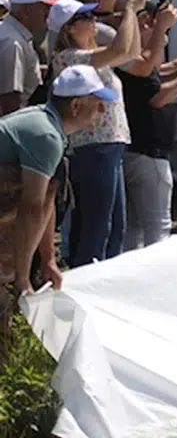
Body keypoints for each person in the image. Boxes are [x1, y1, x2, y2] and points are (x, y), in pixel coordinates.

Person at [1, 65, 121, 295]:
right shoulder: (45, 135)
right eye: (97, 104)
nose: (103, 110)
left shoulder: (51, 130)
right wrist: (22, 280)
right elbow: (31, 208)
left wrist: (48, 260)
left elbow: (46, 200)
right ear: (76, 106)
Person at [47, 0, 145, 268]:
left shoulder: (88, 57)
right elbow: (119, 49)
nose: (93, 19)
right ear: (68, 28)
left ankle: (102, 277)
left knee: (114, 226)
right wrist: (128, 11)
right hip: (92, 147)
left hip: (108, 145)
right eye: (85, 16)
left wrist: (134, 15)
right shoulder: (67, 58)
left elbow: (132, 51)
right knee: (97, 224)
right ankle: (86, 276)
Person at [117, 2, 177, 251]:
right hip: (149, 153)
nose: (153, 27)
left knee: (133, 227)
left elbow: (154, 72)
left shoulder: (126, 61)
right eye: (146, 23)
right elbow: (158, 96)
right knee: (158, 228)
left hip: (132, 150)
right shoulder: (136, 62)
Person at [0, 0, 56, 115]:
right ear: (26, 11)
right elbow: (10, 100)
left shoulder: (12, 34)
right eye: (45, 8)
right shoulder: (13, 43)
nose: (49, 14)